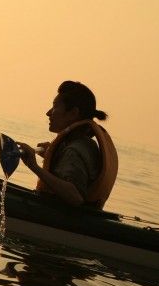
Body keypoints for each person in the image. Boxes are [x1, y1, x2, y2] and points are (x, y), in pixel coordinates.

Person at [17, 80, 118, 209]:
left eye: (55, 107)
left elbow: (75, 197)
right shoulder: (84, 144)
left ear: (73, 113)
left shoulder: (74, 150)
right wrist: (52, 155)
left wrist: (33, 166)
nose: (48, 113)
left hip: (64, 219)